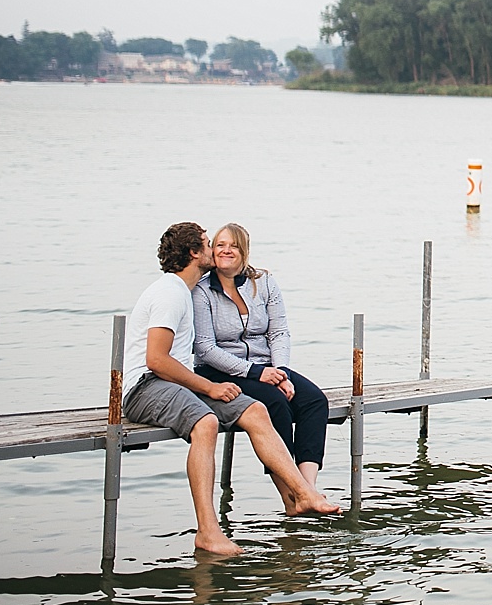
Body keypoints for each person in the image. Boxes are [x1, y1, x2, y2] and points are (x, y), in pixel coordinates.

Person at [121, 221, 340, 556]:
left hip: (177, 382)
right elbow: (156, 360)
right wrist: (210, 386)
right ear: (195, 253)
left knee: (255, 409)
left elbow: (278, 331)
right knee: (206, 423)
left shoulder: (194, 289)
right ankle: (208, 532)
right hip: (147, 386)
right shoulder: (172, 293)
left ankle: (303, 493)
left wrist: (275, 371)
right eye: (209, 244)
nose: (215, 250)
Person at [192, 223, 329, 489]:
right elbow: (205, 349)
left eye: (233, 245)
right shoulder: (202, 291)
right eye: (220, 245)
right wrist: (258, 373)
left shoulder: (263, 282)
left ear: (244, 251)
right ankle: (290, 487)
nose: (226, 250)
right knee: (275, 403)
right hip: (221, 371)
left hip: (266, 365)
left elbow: (279, 333)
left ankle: (308, 485)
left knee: (314, 401)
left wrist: (281, 373)